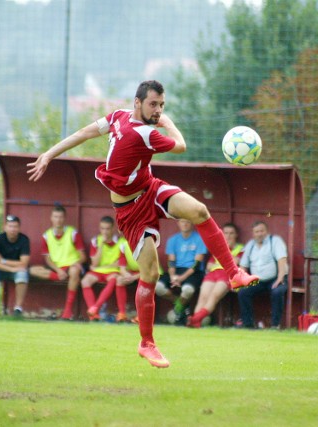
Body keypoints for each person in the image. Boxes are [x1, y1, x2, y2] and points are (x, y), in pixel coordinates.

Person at [27, 80, 259, 368]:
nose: (158, 110)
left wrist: (50, 153)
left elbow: (88, 133)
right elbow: (178, 145)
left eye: (162, 105)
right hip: (130, 211)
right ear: (137, 102)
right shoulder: (140, 130)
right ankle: (146, 343)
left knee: (199, 211)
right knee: (150, 273)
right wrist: (49, 153)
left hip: (151, 188)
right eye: (153, 104)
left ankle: (234, 272)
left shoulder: (121, 118)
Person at [29, 205, 87, 320]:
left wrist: (72, 264)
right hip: (57, 268)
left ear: (64, 218)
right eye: (56, 217)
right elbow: (48, 259)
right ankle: (60, 276)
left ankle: (67, 310)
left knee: (75, 271)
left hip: (72, 266)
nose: (58, 219)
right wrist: (58, 271)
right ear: (51, 218)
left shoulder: (73, 233)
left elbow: (83, 257)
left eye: (60, 217)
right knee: (32, 270)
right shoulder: (46, 235)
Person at [187, 223, 244, 328]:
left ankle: (195, 319)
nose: (228, 236)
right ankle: (196, 323)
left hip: (226, 275)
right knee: (203, 297)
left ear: (236, 235)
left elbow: (234, 263)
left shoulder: (240, 248)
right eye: (226, 233)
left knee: (214, 296)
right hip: (213, 274)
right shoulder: (219, 247)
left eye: (231, 233)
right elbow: (209, 265)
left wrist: (221, 261)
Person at [237, 221, 289, 329]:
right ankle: (248, 324)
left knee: (277, 292)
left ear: (267, 231)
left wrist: (280, 278)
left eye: (262, 231)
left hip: (275, 278)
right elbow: (243, 265)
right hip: (257, 280)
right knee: (242, 292)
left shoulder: (275, 241)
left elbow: (282, 260)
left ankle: (275, 325)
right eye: (256, 232)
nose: (259, 234)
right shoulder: (250, 245)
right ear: (253, 233)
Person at [155, 219, 206, 325]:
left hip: (193, 272)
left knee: (187, 290)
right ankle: (179, 302)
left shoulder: (199, 239)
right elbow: (171, 262)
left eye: (188, 221)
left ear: (192, 223)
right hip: (176, 270)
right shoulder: (173, 240)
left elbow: (196, 264)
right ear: (178, 223)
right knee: (157, 287)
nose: (185, 224)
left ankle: (179, 310)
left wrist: (181, 278)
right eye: (182, 221)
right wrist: (173, 276)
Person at [0, 215, 30, 318]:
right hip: (2, 271)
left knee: (22, 274)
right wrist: (11, 268)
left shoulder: (24, 240)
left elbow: (23, 264)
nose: (12, 229)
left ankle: (18, 309)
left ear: (19, 228)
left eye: (15, 226)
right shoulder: (0, 238)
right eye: (10, 226)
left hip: (16, 271)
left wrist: (2, 261)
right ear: (5, 227)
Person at [82, 216, 121, 321]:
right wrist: (102, 245)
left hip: (112, 272)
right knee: (85, 281)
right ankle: (94, 314)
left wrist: (101, 266)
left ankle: (95, 308)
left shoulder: (120, 241)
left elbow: (118, 264)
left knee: (114, 279)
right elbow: (95, 263)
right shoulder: (96, 241)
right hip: (98, 271)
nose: (105, 231)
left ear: (113, 228)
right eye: (102, 228)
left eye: (107, 229)